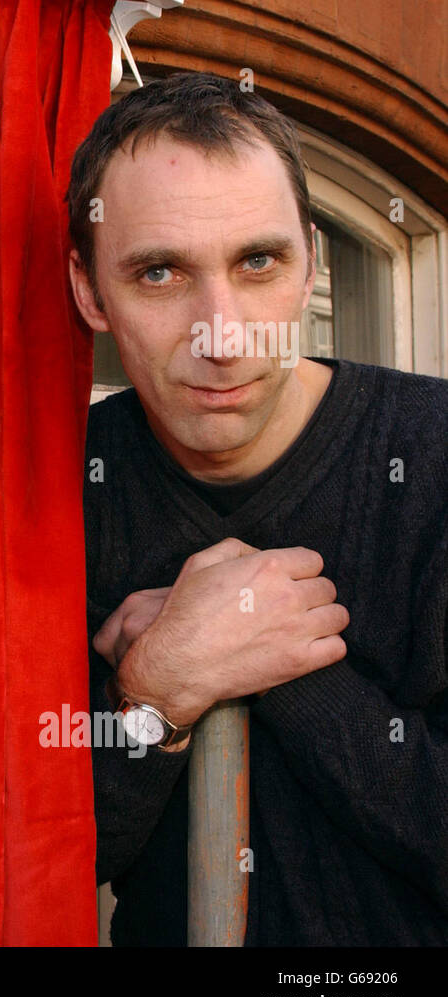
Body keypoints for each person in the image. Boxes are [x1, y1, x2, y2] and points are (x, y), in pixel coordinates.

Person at [65, 71, 448, 946]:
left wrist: (284, 666)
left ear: (311, 260)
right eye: (160, 272)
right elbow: (56, 852)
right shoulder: (63, 491)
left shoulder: (433, 460)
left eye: (259, 262)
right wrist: (154, 696)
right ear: (89, 292)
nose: (224, 335)